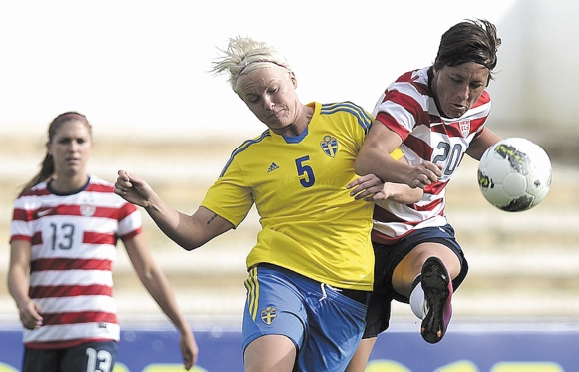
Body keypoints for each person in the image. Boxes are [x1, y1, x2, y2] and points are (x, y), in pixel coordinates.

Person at [113, 37, 421, 372]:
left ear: (292, 78)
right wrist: (152, 202)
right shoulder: (249, 158)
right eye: (254, 99)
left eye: (273, 90)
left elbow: (414, 189)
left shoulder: (348, 119)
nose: (268, 104)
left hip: (348, 284)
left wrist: (389, 188)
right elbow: (195, 232)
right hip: (281, 277)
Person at [346, 19, 503, 370]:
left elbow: (472, 135)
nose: (464, 96)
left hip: (423, 227)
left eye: (476, 84)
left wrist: (512, 158)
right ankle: (425, 291)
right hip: (366, 236)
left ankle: (430, 295)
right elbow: (368, 157)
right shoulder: (408, 96)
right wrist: (408, 173)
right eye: (456, 81)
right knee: (350, 366)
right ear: (437, 66)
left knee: (440, 260)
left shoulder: (478, 105)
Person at [7, 112, 198, 372]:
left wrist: (182, 327)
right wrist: (22, 302)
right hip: (42, 335)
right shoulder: (29, 202)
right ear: (49, 147)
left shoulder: (115, 199)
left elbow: (148, 271)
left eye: (80, 141)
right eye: (64, 141)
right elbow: (18, 266)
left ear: (91, 147)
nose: (73, 148)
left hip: (94, 331)